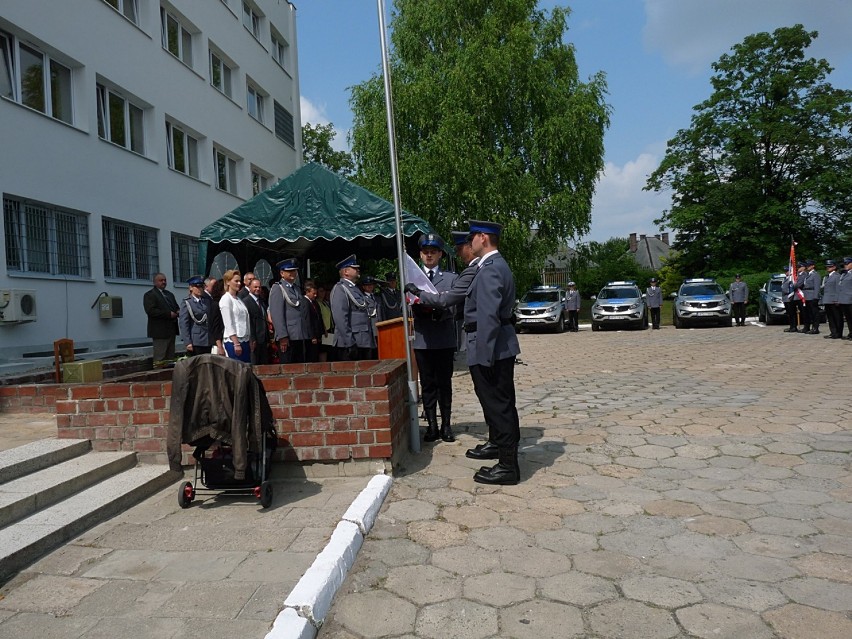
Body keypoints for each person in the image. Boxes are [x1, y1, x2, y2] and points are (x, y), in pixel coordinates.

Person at [463, 220, 521, 485]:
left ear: (483, 238)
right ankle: (502, 452)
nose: (469, 242)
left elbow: (488, 317)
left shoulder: (489, 270)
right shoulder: (494, 266)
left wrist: (484, 357)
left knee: (499, 406)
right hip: (495, 346)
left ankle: (508, 466)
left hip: (491, 348)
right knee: (501, 403)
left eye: (472, 237)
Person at [408, 234, 459, 443]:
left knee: (444, 383)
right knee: (428, 384)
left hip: (444, 338)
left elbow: (455, 304)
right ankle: (432, 426)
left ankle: (446, 425)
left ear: (440, 254)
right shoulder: (413, 278)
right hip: (423, 338)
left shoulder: (451, 278)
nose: (429, 255)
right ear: (420, 255)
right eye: (425, 252)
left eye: (433, 252)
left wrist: (443, 312)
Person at [330, 254, 374, 360]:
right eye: (354, 268)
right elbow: (340, 318)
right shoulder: (340, 289)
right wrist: (349, 342)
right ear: (346, 272)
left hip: (362, 340)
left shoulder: (354, 288)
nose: (358, 270)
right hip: (351, 342)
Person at [269, 258, 311, 363]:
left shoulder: (296, 288)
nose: (293, 273)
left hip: (299, 334)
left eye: (294, 271)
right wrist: (283, 336)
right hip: (288, 335)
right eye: (289, 271)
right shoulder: (278, 288)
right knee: (288, 367)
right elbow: (277, 315)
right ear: (282, 273)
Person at [143, 272, 180, 365]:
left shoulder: (169, 294)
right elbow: (151, 311)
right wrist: (168, 314)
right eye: (161, 280)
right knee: (160, 358)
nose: (163, 282)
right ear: (155, 282)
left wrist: (178, 311)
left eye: (165, 280)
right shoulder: (150, 295)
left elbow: (175, 306)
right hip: (159, 331)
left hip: (171, 330)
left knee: (170, 357)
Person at [219, 269, 251, 362]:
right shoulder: (226, 299)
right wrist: (236, 343)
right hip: (233, 342)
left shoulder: (238, 299)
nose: (239, 283)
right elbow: (228, 323)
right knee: (236, 370)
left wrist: (249, 338)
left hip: (244, 339)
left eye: (239, 281)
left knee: (246, 369)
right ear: (228, 282)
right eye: (236, 281)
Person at [178, 275, 215, 356]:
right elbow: (184, 323)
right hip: (196, 341)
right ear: (191, 288)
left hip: (207, 339)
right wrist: (187, 342)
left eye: (202, 286)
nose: (200, 289)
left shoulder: (206, 301)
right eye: (197, 286)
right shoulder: (187, 302)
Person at [243, 277, 270, 364]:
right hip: (254, 339)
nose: (258, 289)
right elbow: (248, 321)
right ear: (250, 287)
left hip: (263, 340)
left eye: (259, 287)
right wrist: (252, 339)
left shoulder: (261, 301)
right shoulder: (246, 302)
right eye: (255, 287)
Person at [359, 275, 380, 359]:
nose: (370, 286)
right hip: (370, 327)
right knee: (371, 352)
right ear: (363, 287)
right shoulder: (362, 298)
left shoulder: (377, 298)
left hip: (380, 327)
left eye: (371, 284)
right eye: (367, 285)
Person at [798, 259, 821, 334]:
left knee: (814, 313)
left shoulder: (815, 274)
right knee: (808, 313)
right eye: (807, 265)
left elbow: (817, 287)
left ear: (813, 266)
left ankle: (815, 328)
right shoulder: (807, 275)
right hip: (806, 296)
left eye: (809, 265)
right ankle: (808, 327)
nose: (807, 266)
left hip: (812, 295)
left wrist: (815, 297)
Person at [303, 279, 324, 362]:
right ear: (307, 292)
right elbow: (307, 320)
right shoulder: (305, 302)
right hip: (310, 336)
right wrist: (312, 336)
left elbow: (319, 317)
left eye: (316, 293)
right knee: (311, 356)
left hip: (317, 333)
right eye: (313, 293)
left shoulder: (314, 302)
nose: (315, 295)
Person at [821, 260, 842, 339]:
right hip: (827, 299)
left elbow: (838, 289)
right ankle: (833, 332)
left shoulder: (837, 276)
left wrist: (837, 299)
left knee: (837, 317)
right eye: (827, 266)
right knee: (830, 318)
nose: (828, 268)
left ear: (834, 267)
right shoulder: (827, 276)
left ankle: (838, 333)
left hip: (834, 300)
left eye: (830, 266)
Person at [316, 284, 334, 361]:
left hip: (330, 328)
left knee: (328, 349)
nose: (323, 293)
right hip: (323, 329)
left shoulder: (325, 303)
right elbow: (320, 317)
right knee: (323, 349)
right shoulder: (317, 303)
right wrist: (324, 329)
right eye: (321, 291)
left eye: (324, 291)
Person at [781, 266, 798, 333]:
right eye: (785, 271)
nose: (786, 272)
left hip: (789, 297)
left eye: (787, 271)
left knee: (792, 313)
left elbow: (790, 288)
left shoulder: (791, 279)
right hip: (785, 298)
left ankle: (794, 327)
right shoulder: (785, 278)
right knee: (789, 314)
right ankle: (791, 326)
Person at [839, 256, 852, 340]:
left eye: (847, 264)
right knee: (848, 318)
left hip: (850, 299)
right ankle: (851, 333)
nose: (845, 265)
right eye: (844, 264)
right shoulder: (844, 274)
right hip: (845, 299)